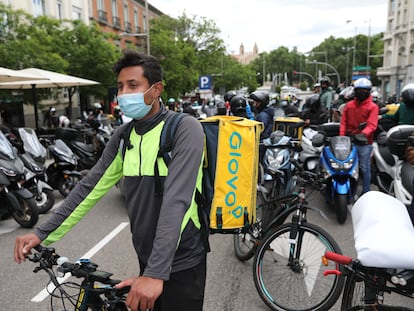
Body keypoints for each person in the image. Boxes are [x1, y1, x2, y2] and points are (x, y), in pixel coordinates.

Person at [14, 50, 207, 311]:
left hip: (182, 259)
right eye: (120, 87)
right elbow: (89, 187)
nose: (124, 94)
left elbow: (177, 201)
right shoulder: (124, 136)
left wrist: (156, 273)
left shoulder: (184, 129)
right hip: (148, 258)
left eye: (133, 85)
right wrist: (41, 233)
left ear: (156, 88)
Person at [340, 77, 379, 195]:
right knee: (348, 167)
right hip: (349, 140)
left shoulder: (373, 107)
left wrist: (362, 135)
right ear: (355, 91)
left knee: (364, 168)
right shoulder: (349, 105)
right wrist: (341, 137)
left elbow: (372, 125)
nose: (362, 92)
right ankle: (349, 191)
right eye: (359, 90)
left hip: (365, 143)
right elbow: (343, 122)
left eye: (365, 90)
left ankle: (366, 191)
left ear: (369, 91)